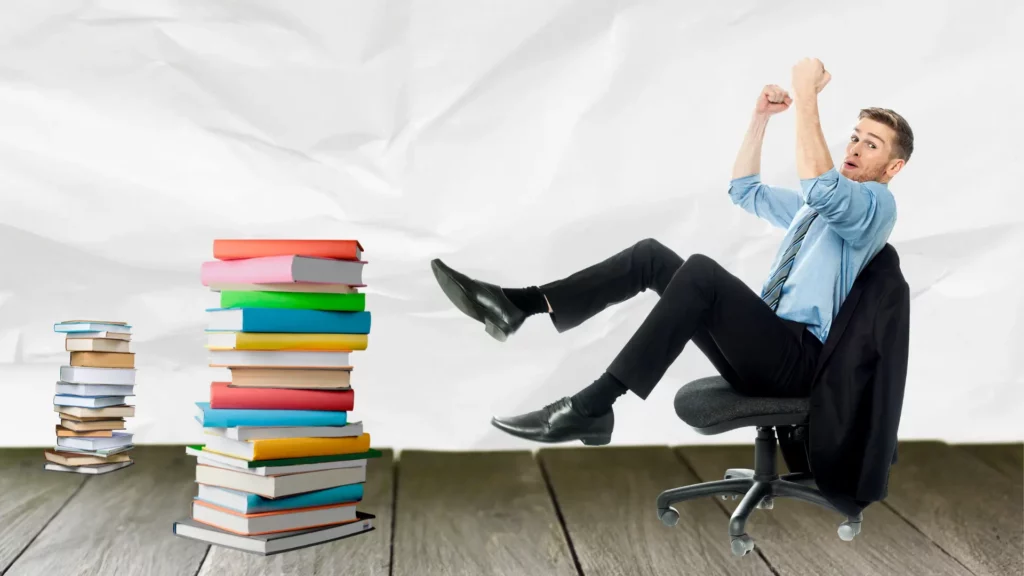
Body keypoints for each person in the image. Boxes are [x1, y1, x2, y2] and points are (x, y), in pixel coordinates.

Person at [429, 58, 915, 445]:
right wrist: (760, 119)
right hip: (768, 348)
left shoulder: (874, 206)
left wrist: (806, 90)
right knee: (652, 257)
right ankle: (520, 304)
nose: (854, 147)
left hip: (800, 364)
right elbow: (745, 190)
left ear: (892, 168)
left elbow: (824, 186)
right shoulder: (817, 210)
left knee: (701, 272)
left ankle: (593, 405)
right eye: (853, 136)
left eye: (870, 145)